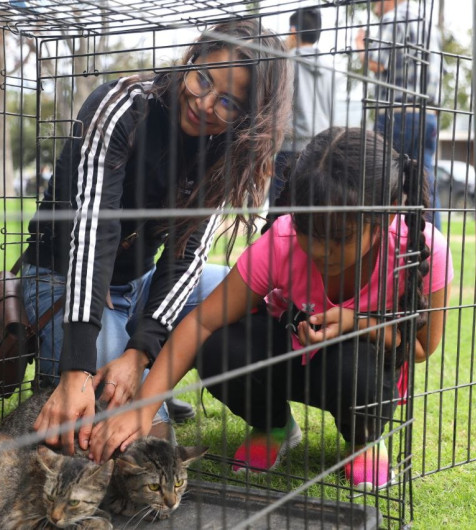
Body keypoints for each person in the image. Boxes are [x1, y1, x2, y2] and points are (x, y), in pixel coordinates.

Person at [90, 128, 454, 491]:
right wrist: (142, 409)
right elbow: (200, 322)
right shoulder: (282, 241)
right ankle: (273, 424)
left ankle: (364, 440)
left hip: (359, 369)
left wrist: (354, 323)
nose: (319, 249)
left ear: (384, 218)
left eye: (339, 236)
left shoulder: (422, 250)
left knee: (354, 368)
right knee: (217, 345)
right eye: (307, 228)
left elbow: (421, 348)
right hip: (289, 354)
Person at [27, 20, 292, 453]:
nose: (204, 103)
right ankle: (99, 373)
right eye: (203, 78)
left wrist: (139, 354)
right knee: (130, 439)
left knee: (240, 293)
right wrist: (77, 367)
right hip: (63, 275)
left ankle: (273, 419)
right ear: (193, 59)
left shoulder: (227, 153)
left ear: (248, 118)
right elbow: (94, 231)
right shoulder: (123, 106)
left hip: (135, 284)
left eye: (226, 101)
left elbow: (186, 258)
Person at [356, 0, 443, 231]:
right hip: (428, 115)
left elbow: (377, 63)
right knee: (424, 183)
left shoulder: (392, 18)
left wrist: (360, 47)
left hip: (397, 113)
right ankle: (432, 244)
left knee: (382, 179)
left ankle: (380, 240)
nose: (375, 7)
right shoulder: (428, 22)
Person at [272, 7, 335, 204]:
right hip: (322, 149)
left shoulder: (287, 62)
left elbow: (279, 108)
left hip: (291, 148)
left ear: (293, 31)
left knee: (279, 212)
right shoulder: (329, 67)